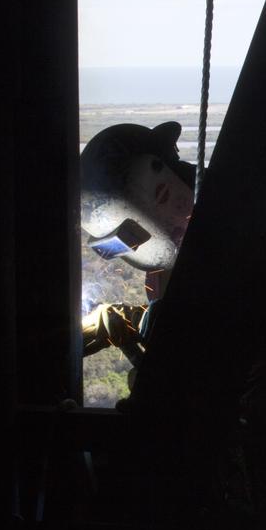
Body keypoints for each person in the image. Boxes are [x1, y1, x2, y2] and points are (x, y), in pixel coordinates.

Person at [79, 122, 196, 370]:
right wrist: (133, 317)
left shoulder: (237, 249)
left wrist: (136, 351)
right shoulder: (188, 257)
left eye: (129, 241)